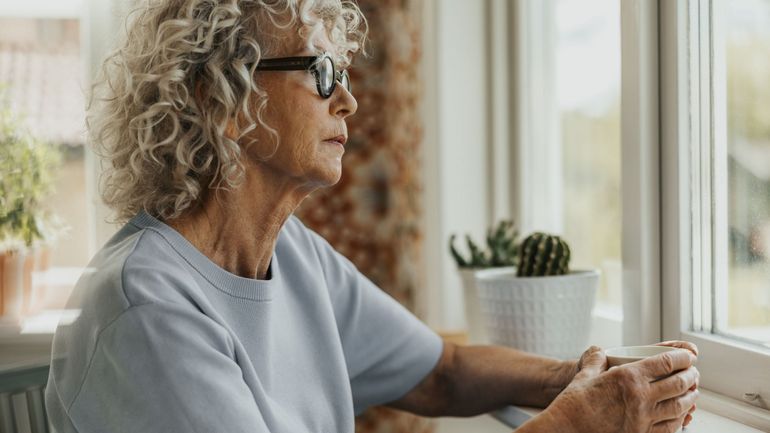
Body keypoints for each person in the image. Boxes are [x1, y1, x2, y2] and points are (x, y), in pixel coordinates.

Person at [44, 1, 699, 432]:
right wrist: (573, 423)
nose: (350, 101)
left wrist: (592, 374)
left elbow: (442, 373)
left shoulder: (292, 253)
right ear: (225, 101)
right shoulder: (146, 313)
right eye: (323, 72)